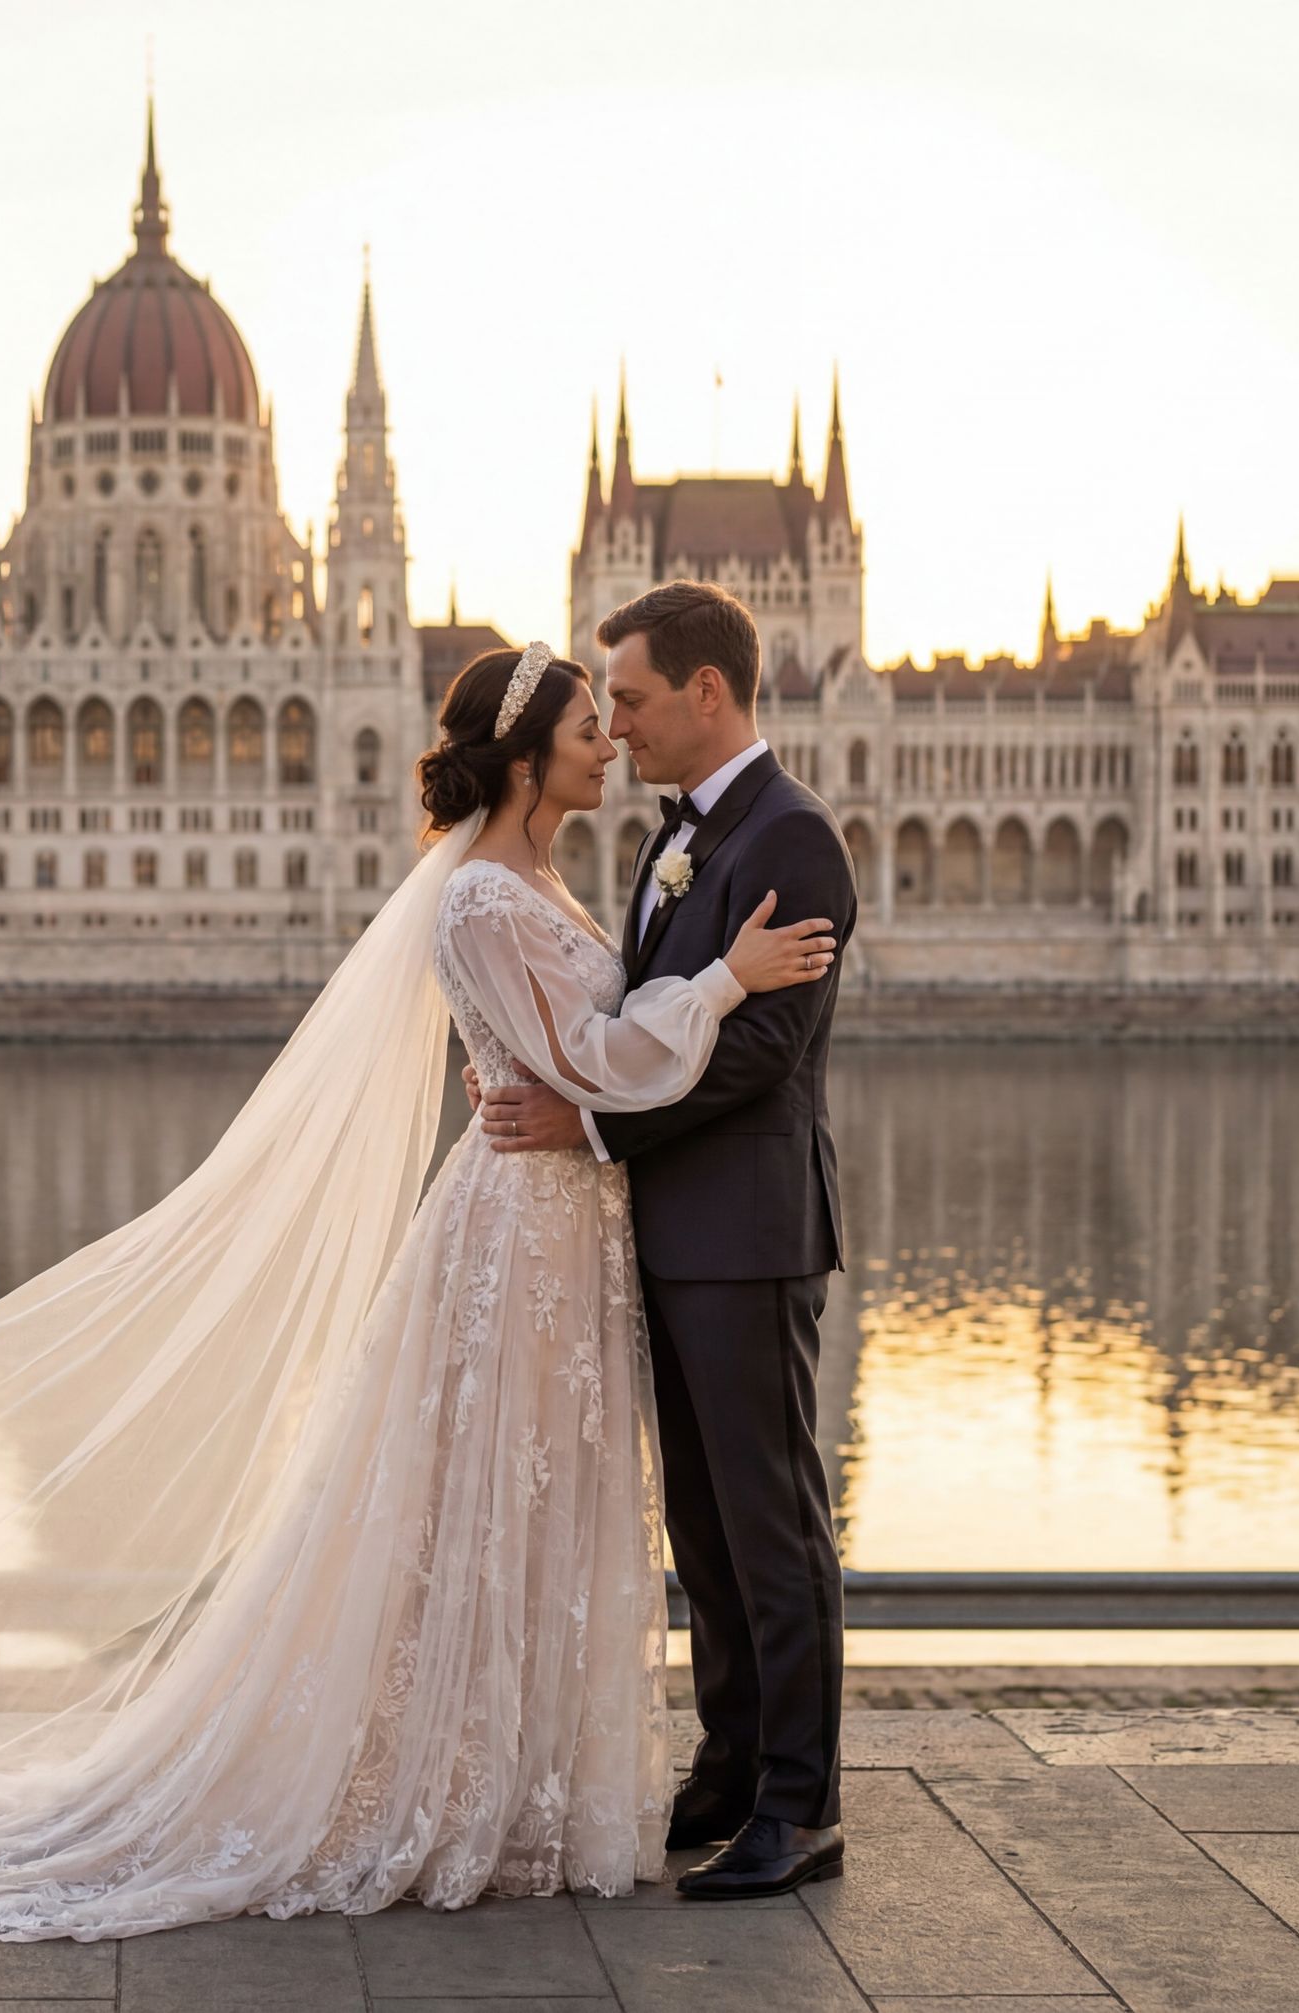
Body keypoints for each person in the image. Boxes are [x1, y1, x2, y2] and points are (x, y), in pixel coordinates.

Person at [0, 640, 834, 1939]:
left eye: (619, 711)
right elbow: (592, 1053)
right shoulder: (481, 895)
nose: (612, 740)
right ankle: (473, 1778)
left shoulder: (568, 875)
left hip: (570, 1225)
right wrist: (721, 983)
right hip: (523, 1230)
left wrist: (597, 1069)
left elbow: (582, 1053)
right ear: (526, 757)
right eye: (592, 722)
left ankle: (537, 1774)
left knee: (536, 1500)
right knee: (485, 1498)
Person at [476, 582, 860, 1899]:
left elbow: (759, 1052)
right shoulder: (675, 838)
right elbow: (644, 1017)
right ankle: (733, 1763)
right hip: (670, 1233)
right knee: (703, 1524)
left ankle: (801, 1805)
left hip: (746, 1232)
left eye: (632, 699)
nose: (620, 725)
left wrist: (585, 1125)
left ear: (707, 691)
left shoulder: (792, 837)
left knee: (773, 1522)